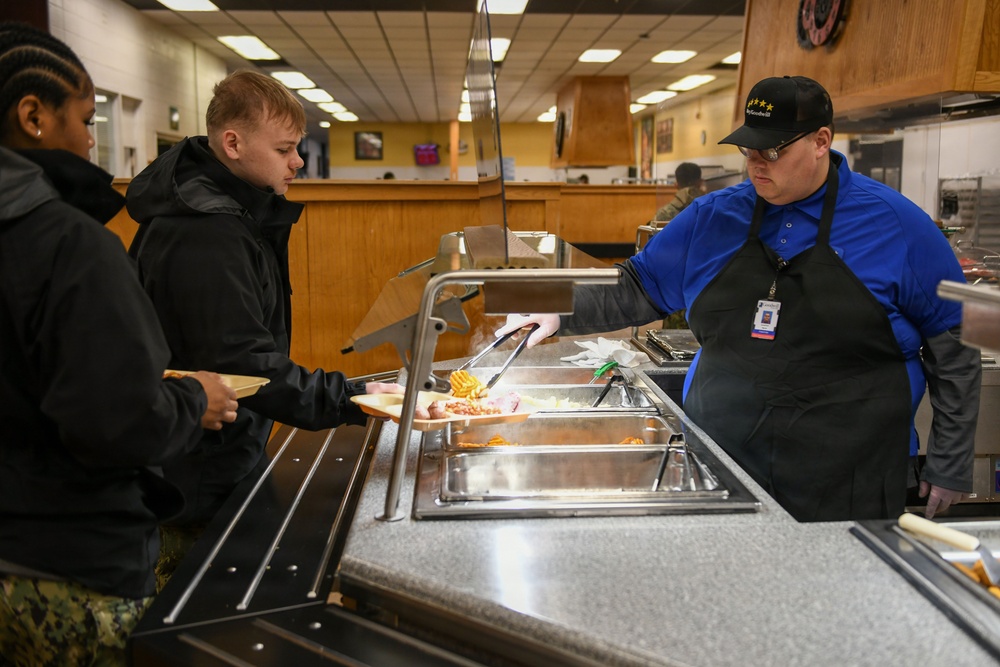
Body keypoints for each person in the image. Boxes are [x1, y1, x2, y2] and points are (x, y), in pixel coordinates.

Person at [498, 75, 980, 523]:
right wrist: (555, 306)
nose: (755, 164)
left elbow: (955, 351)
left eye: (770, 151)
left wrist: (950, 463)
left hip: (853, 477)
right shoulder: (711, 218)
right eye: (748, 149)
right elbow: (635, 288)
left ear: (821, 142)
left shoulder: (899, 226)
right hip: (721, 464)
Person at [0, 22, 238, 666]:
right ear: (33, 116)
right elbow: (119, 424)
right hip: (68, 571)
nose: (91, 139)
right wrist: (194, 399)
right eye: (85, 116)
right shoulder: (70, 245)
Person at [125, 70, 402, 582]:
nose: (298, 161)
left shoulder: (226, 212)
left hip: (215, 457)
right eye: (285, 149)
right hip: (195, 479)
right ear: (233, 143)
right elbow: (243, 365)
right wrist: (354, 397)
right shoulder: (205, 232)